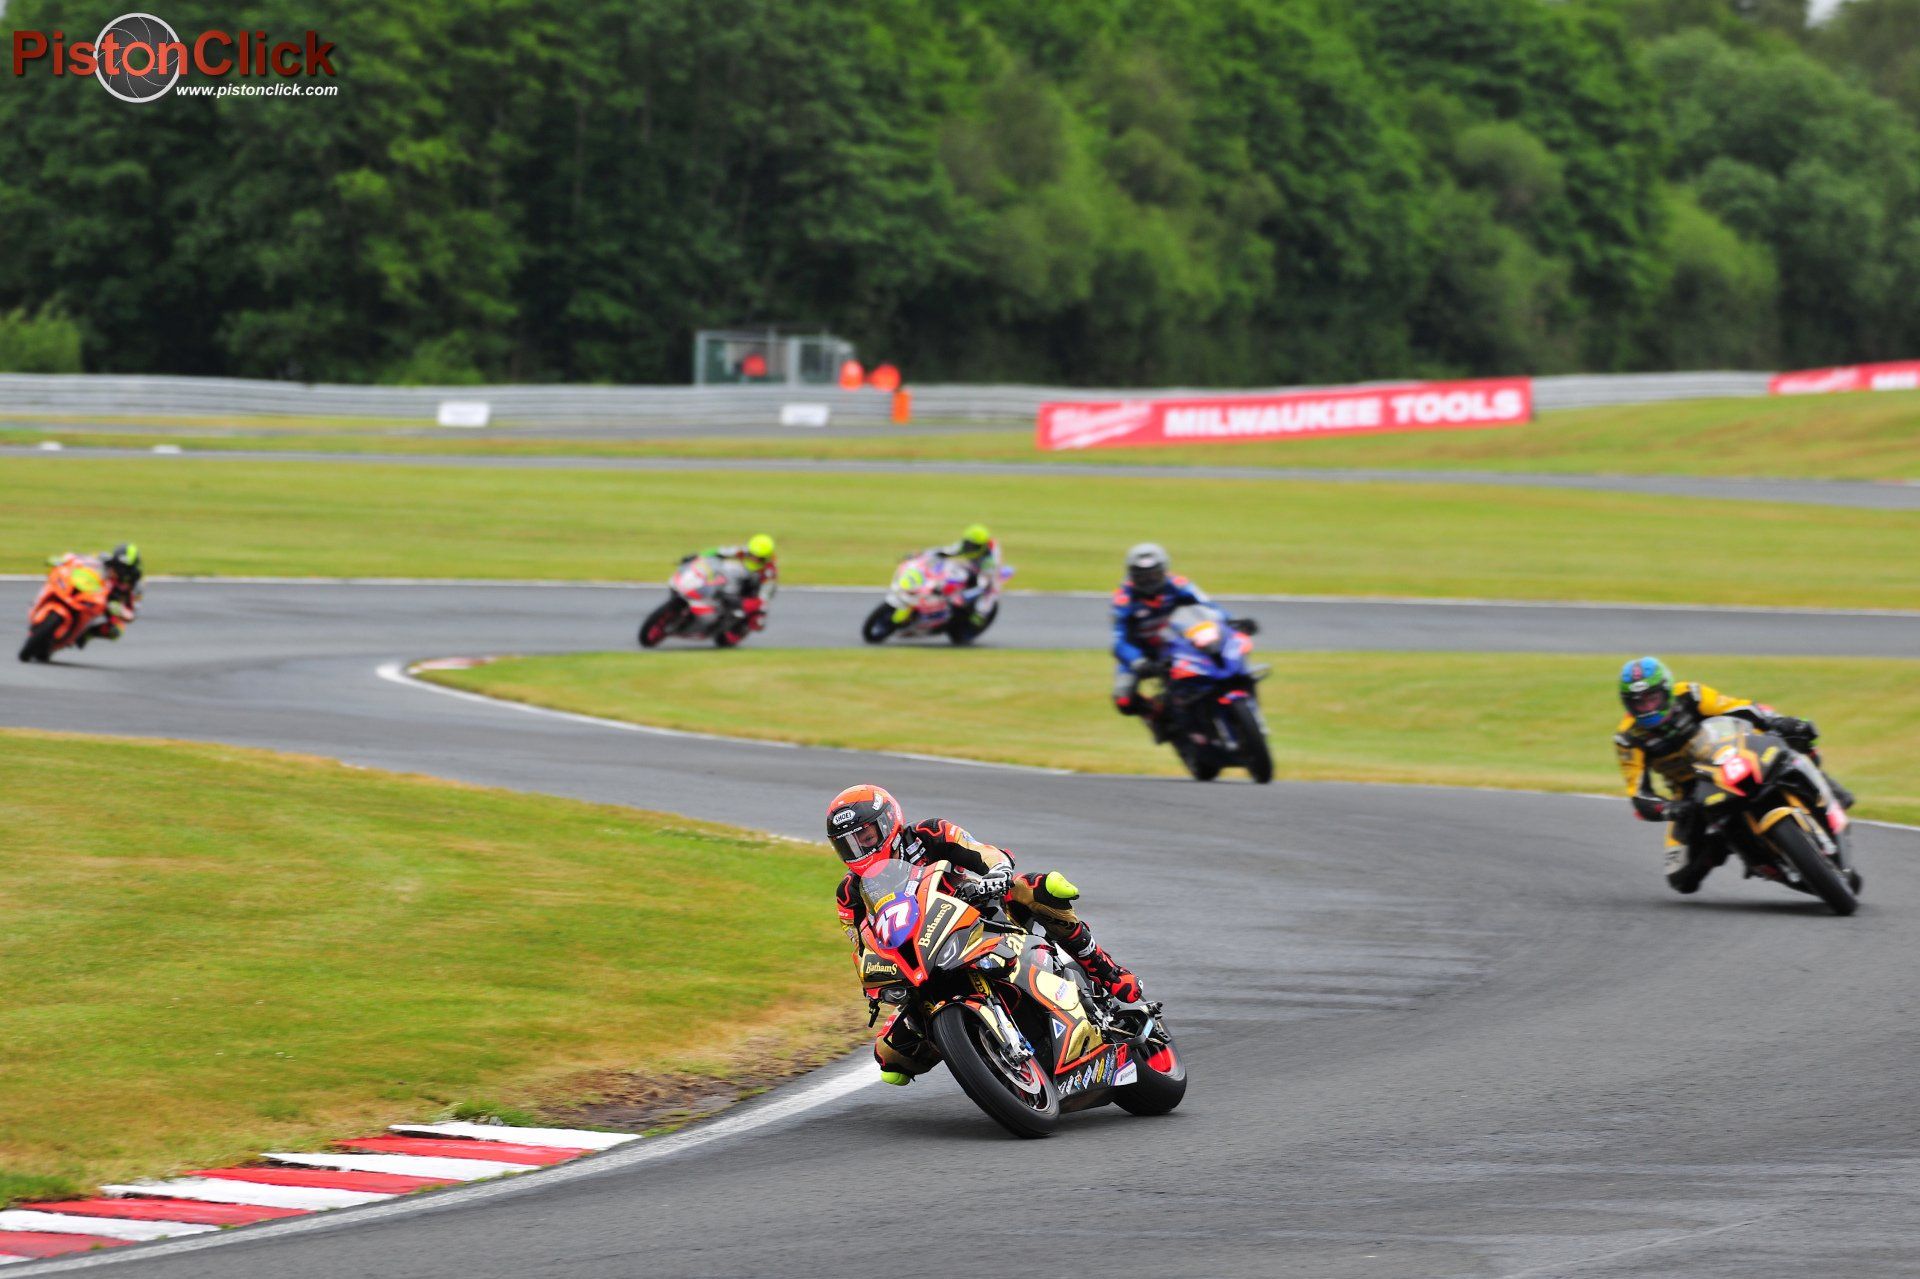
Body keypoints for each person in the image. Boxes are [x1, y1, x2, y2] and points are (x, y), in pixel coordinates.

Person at [827, 784, 1144, 1086]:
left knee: (1039, 888)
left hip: (980, 916)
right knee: (890, 1057)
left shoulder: (929, 833)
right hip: (921, 961)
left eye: (865, 837)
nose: (859, 849)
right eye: (848, 844)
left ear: (888, 822)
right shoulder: (848, 893)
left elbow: (982, 852)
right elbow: (862, 944)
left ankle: (1104, 969)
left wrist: (997, 872)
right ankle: (979, 1049)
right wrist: (874, 979)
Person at [1614, 655, 1853, 894]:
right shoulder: (1628, 738)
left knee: (1796, 737)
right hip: (1691, 792)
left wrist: (1779, 722)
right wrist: (1669, 809)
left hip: (1730, 754)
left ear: (1666, 691)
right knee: (1681, 877)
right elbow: (1639, 794)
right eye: (1639, 703)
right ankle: (1725, 844)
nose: (1647, 707)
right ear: (1627, 705)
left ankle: (1828, 789)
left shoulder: (1689, 694)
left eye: (1652, 698)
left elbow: (1738, 708)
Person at [1109, 543, 1211, 718]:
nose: (1149, 581)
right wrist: (1138, 662)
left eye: (1154, 575)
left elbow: (1208, 606)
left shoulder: (1178, 584)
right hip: (1143, 655)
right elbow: (1120, 641)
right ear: (1132, 576)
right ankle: (1157, 714)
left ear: (1164, 571)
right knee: (1123, 699)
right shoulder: (1123, 599)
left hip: (1178, 645)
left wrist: (1231, 621)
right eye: (1142, 577)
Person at [680, 534, 777, 638]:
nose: (753, 558)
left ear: (766, 557)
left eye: (758, 557)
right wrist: (698, 556)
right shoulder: (743, 551)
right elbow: (719, 551)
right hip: (735, 580)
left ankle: (736, 631)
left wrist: (753, 605)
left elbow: (765, 596)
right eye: (752, 554)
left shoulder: (769, 572)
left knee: (757, 619)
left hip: (752, 591)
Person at [63, 543, 143, 648]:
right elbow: (83, 559)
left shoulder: (136, 585)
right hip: (92, 589)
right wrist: (67, 558)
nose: (119, 570)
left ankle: (87, 633)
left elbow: (132, 614)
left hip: (111, 603)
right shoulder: (103, 558)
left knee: (116, 630)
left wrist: (119, 609)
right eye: (117, 565)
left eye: (125, 568)